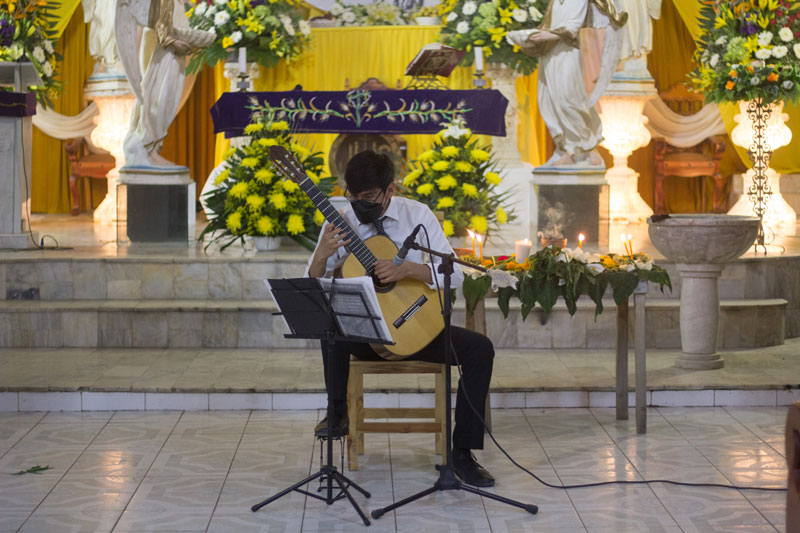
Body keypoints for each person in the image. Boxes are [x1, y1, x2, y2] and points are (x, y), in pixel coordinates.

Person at [304, 150, 496, 487]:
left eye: (367, 197)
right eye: (352, 195)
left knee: (481, 350)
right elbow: (314, 288)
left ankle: (463, 453)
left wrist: (407, 268)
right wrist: (321, 256)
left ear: (389, 190)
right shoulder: (341, 221)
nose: (358, 203)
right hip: (368, 336)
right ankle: (337, 413)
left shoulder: (417, 215)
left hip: (416, 327)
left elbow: (454, 275)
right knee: (330, 322)